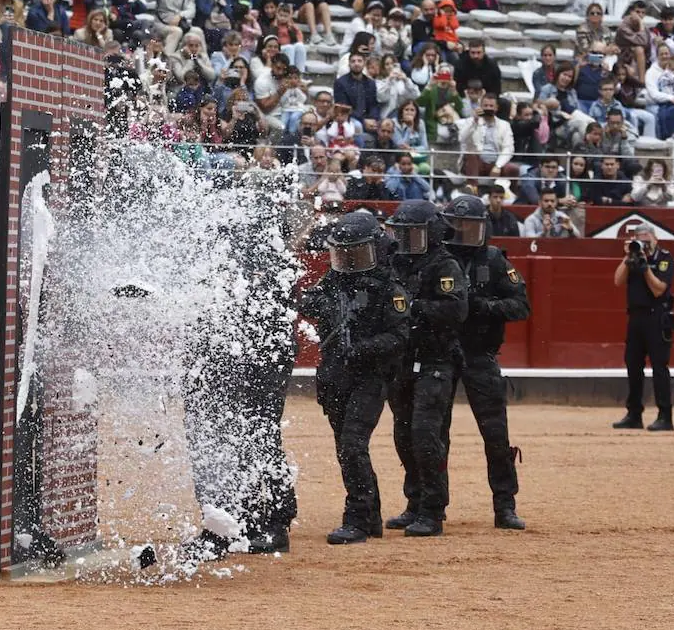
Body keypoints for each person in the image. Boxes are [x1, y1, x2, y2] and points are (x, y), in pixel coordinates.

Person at [176, 220, 299, 563]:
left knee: (258, 438)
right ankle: (224, 526)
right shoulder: (216, 280)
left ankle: (273, 522)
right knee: (212, 446)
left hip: (256, 374)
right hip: (219, 375)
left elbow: (272, 343)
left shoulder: (264, 282)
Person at [300, 210, 410, 544]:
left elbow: (399, 337)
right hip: (335, 377)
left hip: (370, 377)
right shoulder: (334, 280)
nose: (347, 260)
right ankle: (370, 516)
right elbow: (308, 304)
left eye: (355, 252)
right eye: (342, 253)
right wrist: (321, 304)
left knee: (352, 445)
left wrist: (362, 349)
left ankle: (359, 518)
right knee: (345, 447)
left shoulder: (389, 287)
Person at [442, 196, 531, 530]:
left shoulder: (493, 259)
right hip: (444, 353)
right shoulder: (440, 257)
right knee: (432, 432)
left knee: (495, 433)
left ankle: (505, 506)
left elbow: (521, 307)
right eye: (459, 223)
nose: (465, 230)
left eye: (472, 224)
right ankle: (426, 505)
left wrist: (484, 306)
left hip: (480, 352)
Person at [384, 199, 468, 538]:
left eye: (412, 234)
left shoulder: (445, 265)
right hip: (403, 360)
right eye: (402, 233)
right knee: (404, 435)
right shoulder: (395, 262)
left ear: (430, 233)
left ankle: (433, 510)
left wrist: (412, 308)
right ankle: (415, 501)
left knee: (426, 434)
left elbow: (456, 310)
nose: (405, 240)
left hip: (436, 360)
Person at [614, 223, 674, 431]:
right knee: (633, 366)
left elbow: (659, 290)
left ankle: (665, 416)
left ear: (655, 239)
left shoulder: (664, 258)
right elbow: (617, 280)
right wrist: (628, 257)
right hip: (636, 317)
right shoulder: (633, 258)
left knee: (659, 367)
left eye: (646, 238)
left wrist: (646, 269)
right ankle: (634, 414)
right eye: (639, 239)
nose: (643, 243)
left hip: (657, 318)